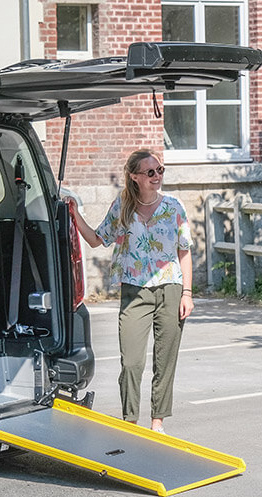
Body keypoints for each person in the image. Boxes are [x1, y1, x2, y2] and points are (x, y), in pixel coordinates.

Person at [68, 149, 194, 434]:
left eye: (160, 170)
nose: (157, 176)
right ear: (135, 176)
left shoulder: (174, 207)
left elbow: (184, 252)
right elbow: (96, 240)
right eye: (150, 172)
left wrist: (187, 293)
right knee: (132, 362)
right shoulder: (122, 206)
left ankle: (157, 423)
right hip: (135, 292)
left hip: (171, 289)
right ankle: (131, 422)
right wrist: (75, 214)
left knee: (165, 360)